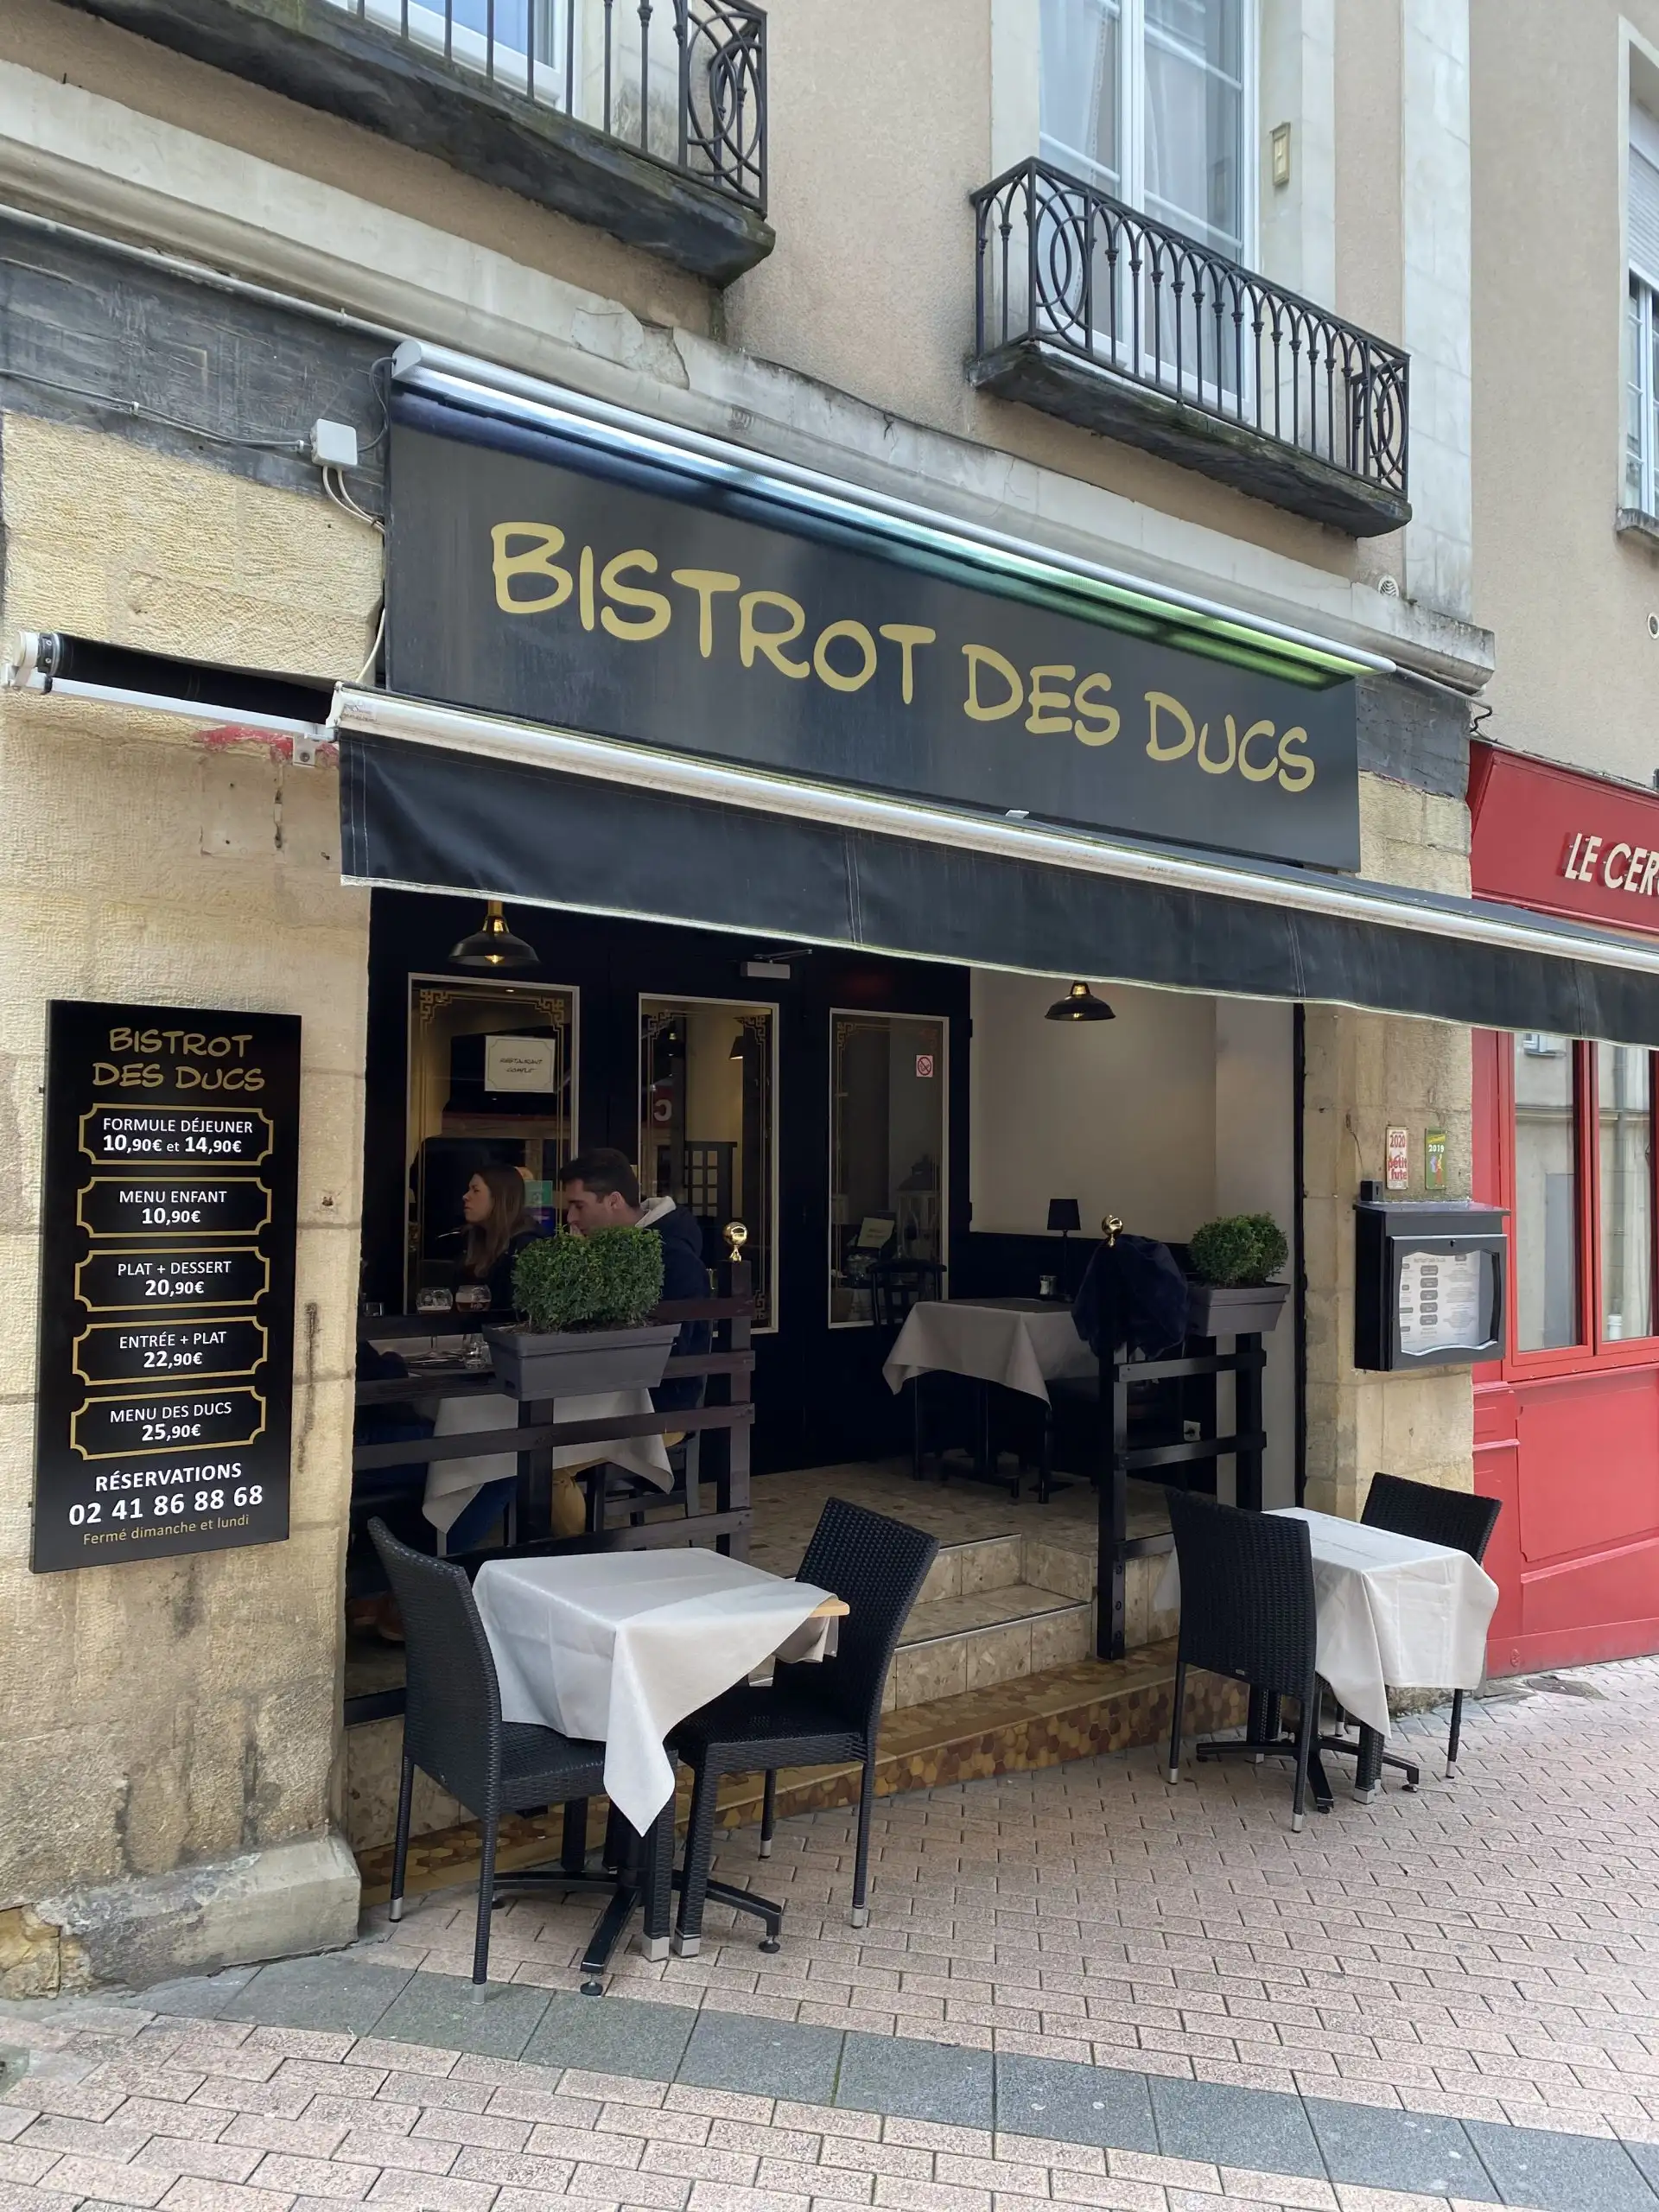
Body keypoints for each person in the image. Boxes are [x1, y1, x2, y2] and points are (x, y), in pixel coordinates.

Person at [559, 1147, 711, 1413]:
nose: (570, 1217)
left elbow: (669, 1354)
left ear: (613, 1201)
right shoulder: (611, 1248)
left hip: (652, 1404)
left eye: (578, 1206)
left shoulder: (674, 1259)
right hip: (607, 1392)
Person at [460, 1161, 537, 1312]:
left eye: (475, 1190)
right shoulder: (472, 1239)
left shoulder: (527, 1247)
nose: (465, 1196)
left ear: (499, 1197)